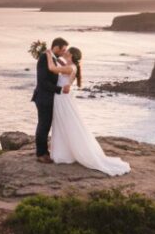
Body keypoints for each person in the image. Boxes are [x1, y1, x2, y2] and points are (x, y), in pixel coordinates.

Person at [44, 47, 131, 176]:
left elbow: (51, 68)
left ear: (71, 55)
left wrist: (48, 55)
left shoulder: (69, 68)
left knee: (65, 124)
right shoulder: (71, 66)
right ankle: (65, 152)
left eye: (67, 52)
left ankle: (65, 153)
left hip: (62, 99)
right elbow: (62, 64)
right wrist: (55, 57)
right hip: (63, 98)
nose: (65, 53)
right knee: (63, 124)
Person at [30, 37, 69, 163]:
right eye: (63, 50)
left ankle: (45, 152)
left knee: (46, 125)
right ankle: (41, 154)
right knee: (43, 125)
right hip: (43, 97)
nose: (64, 52)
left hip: (49, 97)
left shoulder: (53, 58)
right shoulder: (43, 58)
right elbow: (43, 81)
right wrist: (60, 90)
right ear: (56, 47)